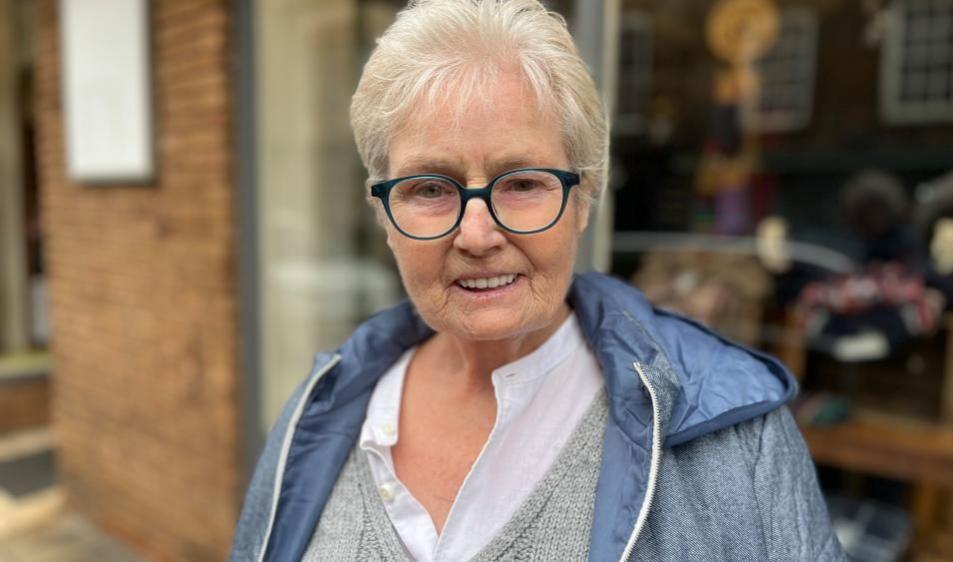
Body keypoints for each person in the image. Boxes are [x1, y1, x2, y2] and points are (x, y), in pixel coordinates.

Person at [229, 1, 845, 560]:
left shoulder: (734, 435)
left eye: (522, 183)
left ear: (583, 200)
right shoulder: (321, 412)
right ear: (384, 216)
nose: (476, 235)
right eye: (429, 188)